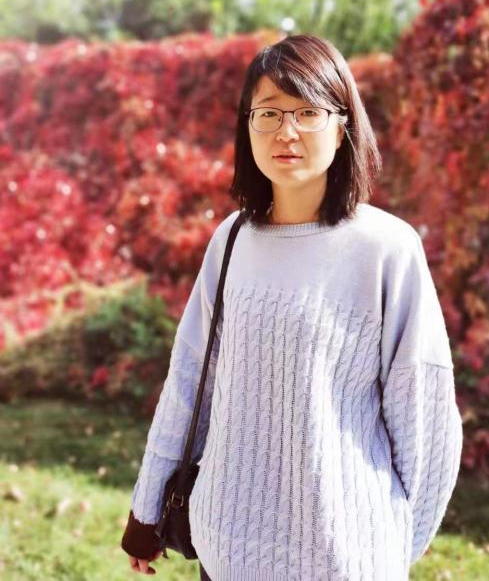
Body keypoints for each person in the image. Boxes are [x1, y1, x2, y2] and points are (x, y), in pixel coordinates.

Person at [121, 33, 463, 579]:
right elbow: (190, 381)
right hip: (227, 552)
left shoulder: (386, 249)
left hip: (343, 560)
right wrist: (146, 509)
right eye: (269, 113)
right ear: (248, 126)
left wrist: (392, 546)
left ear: (342, 125)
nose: (287, 131)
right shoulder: (231, 240)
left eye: (308, 112)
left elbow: (425, 419)